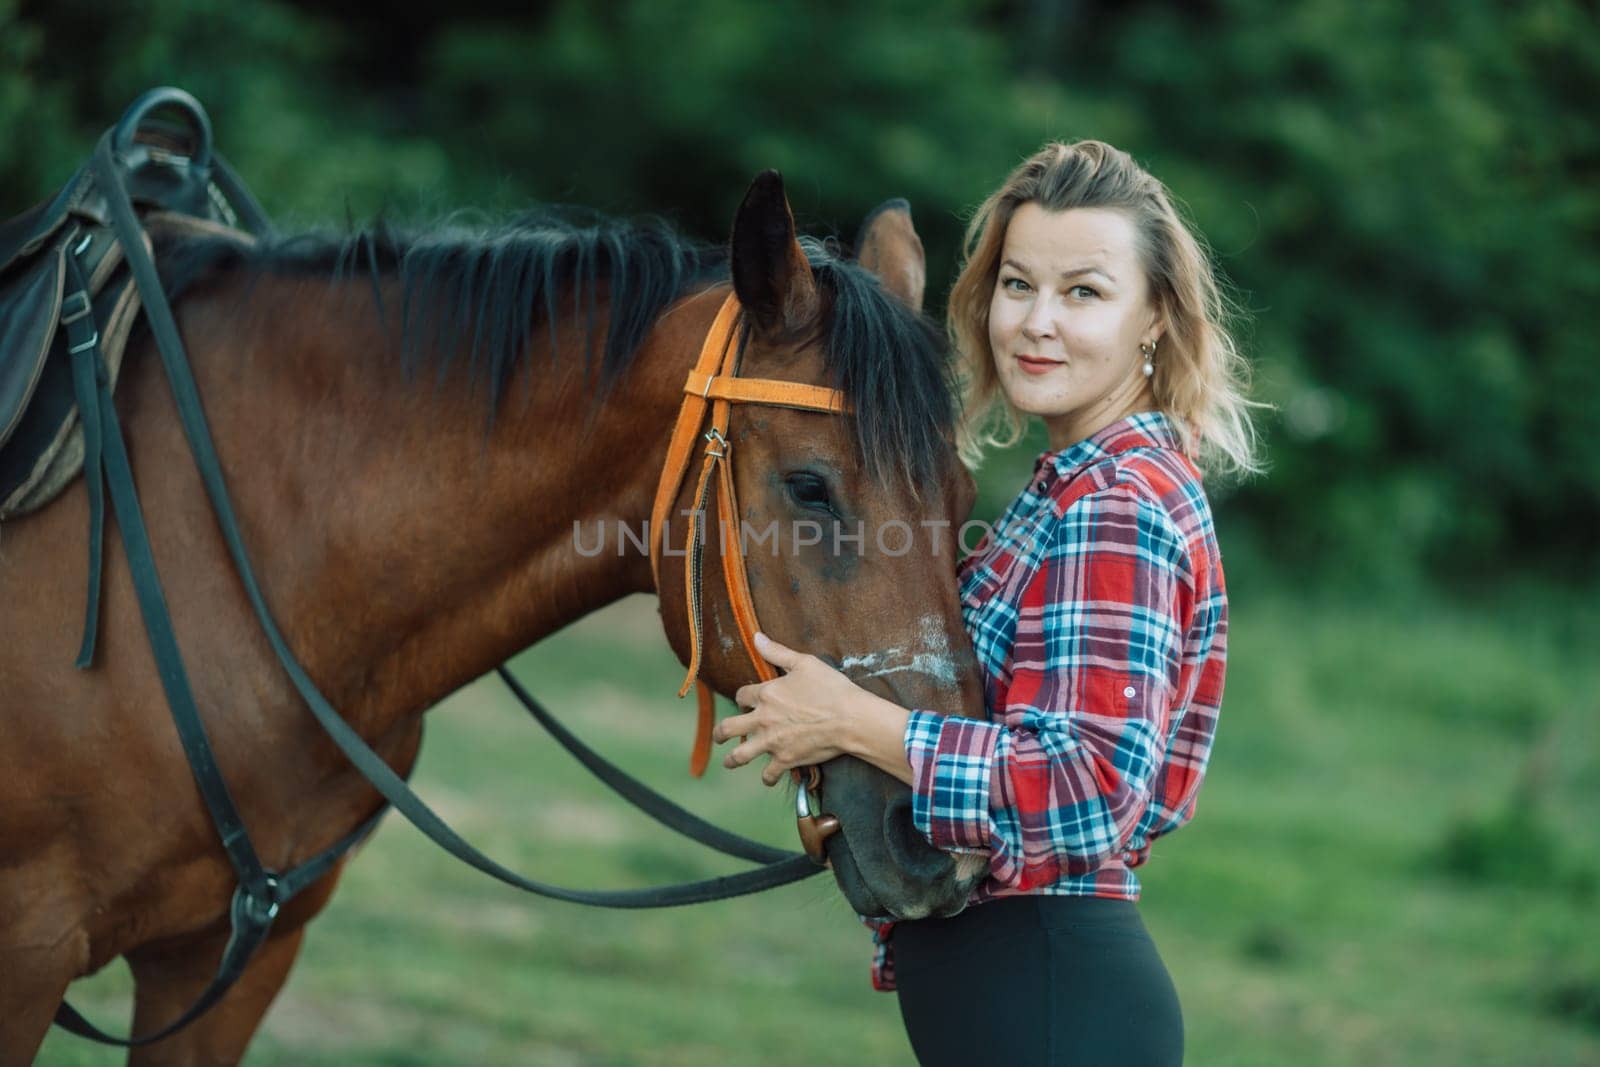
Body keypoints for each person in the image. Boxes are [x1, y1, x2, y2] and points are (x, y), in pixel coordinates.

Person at [712, 140, 1260, 1066]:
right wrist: (863, 785)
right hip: (1032, 991)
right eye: (1018, 285)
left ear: (1154, 318)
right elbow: (1001, 727)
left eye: (1084, 292)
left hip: (1050, 998)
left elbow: (1090, 787)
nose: (1038, 323)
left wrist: (859, 722)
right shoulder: (1062, 495)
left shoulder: (1114, 506)